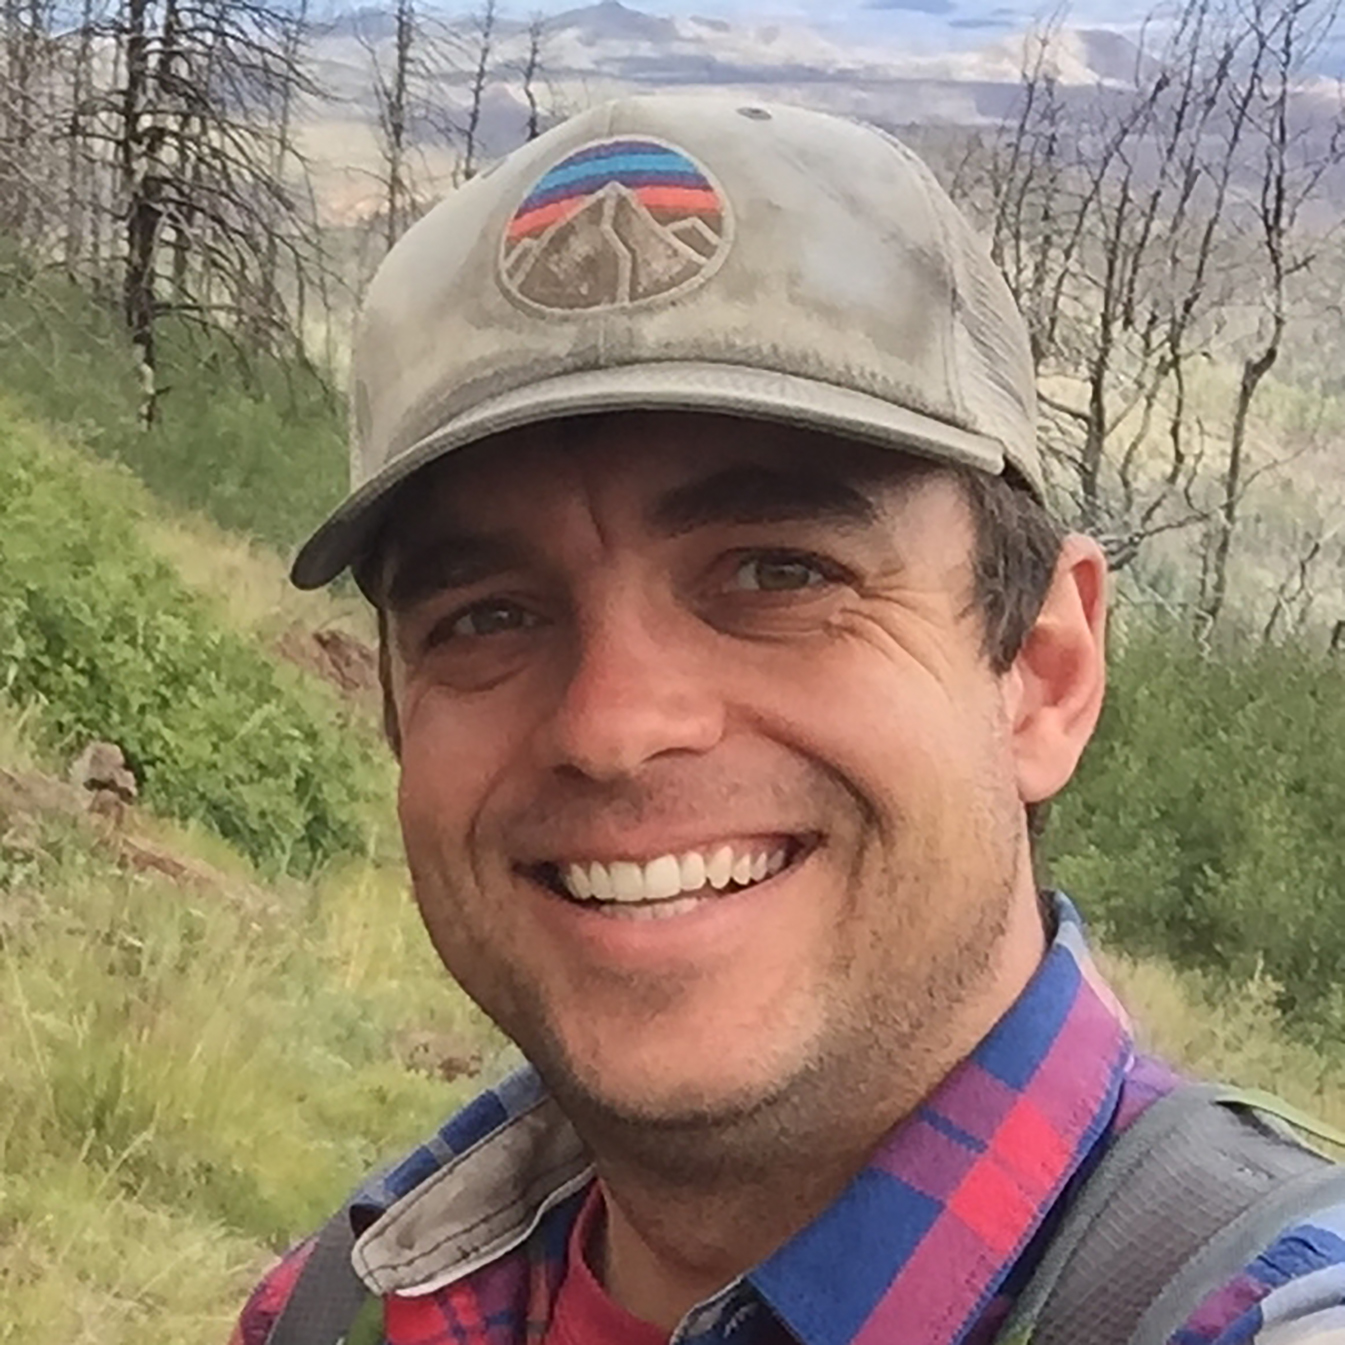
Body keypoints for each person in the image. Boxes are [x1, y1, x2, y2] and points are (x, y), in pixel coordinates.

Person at [232, 96, 1345, 1345]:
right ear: (395, 711)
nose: (612, 725)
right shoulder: (337, 1308)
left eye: (777, 574)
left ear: (1042, 672)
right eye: (487, 617)